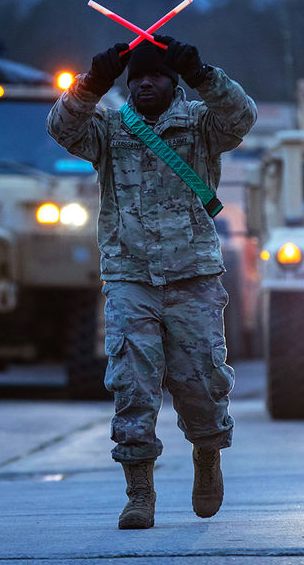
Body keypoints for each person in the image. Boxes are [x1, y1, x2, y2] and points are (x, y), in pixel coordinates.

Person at [47, 35, 257, 529]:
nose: (144, 84)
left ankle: (207, 453)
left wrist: (204, 75)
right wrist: (92, 83)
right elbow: (61, 128)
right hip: (130, 276)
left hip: (193, 277)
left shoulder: (201, 125)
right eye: (136, 77)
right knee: (132, 385)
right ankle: (139, 492)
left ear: (172, 82)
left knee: (202, 383)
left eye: (155, 76)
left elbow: (241, 117)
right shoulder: (109, 128)